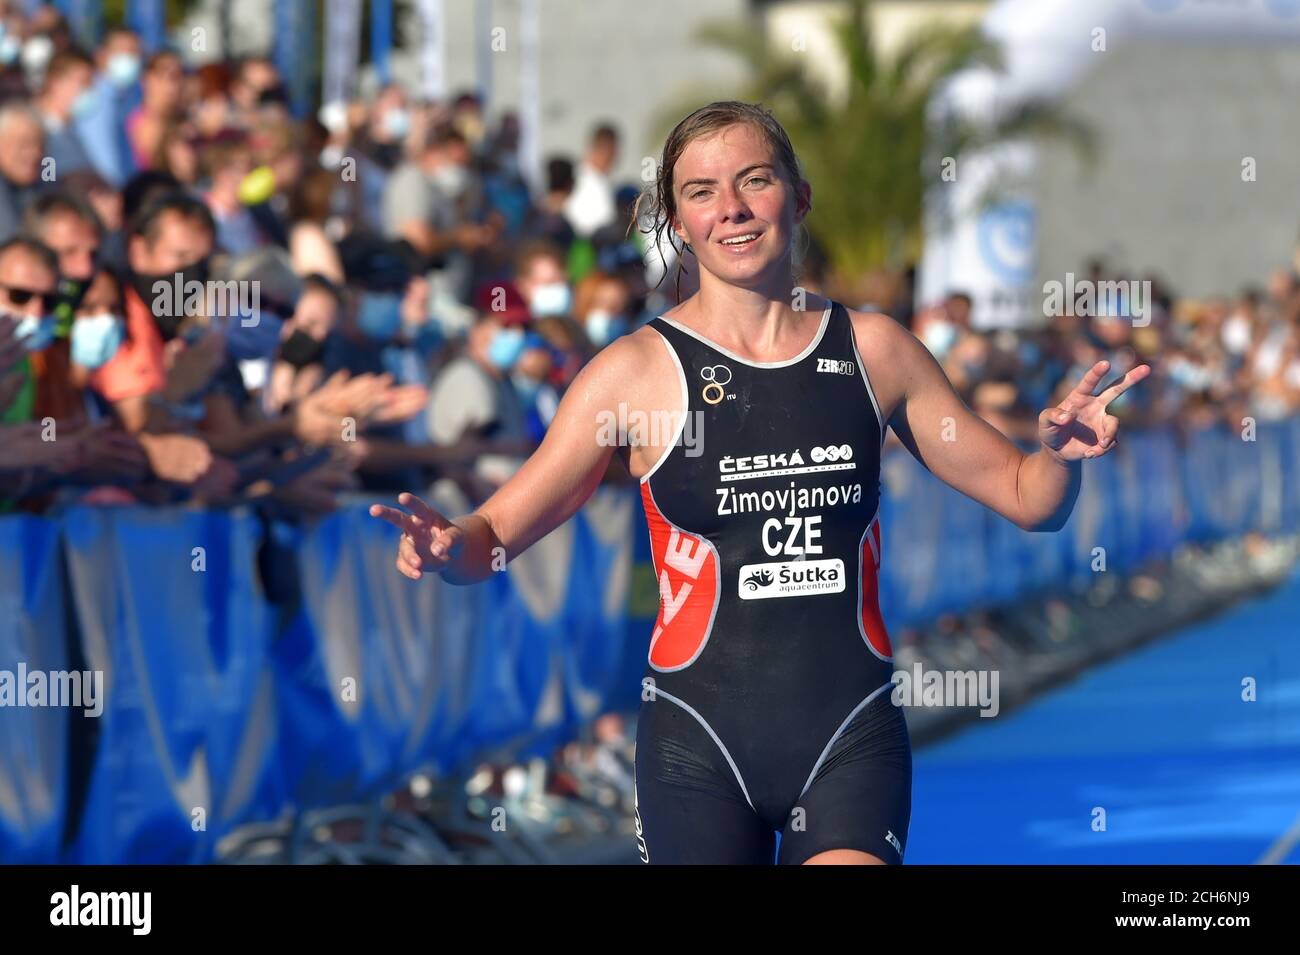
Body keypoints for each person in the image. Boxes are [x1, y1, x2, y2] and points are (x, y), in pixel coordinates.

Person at [370, 100, 1150, 865]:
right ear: (677, 222)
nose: (732, 210)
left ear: (798, 195)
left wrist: (1060, 457)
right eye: (702, 193)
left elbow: (1026, 497)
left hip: (849, 735)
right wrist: (449, 545)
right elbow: (497, 534)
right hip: (695, 747)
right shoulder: (633, 377)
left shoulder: (875, 351)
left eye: (754, 181)